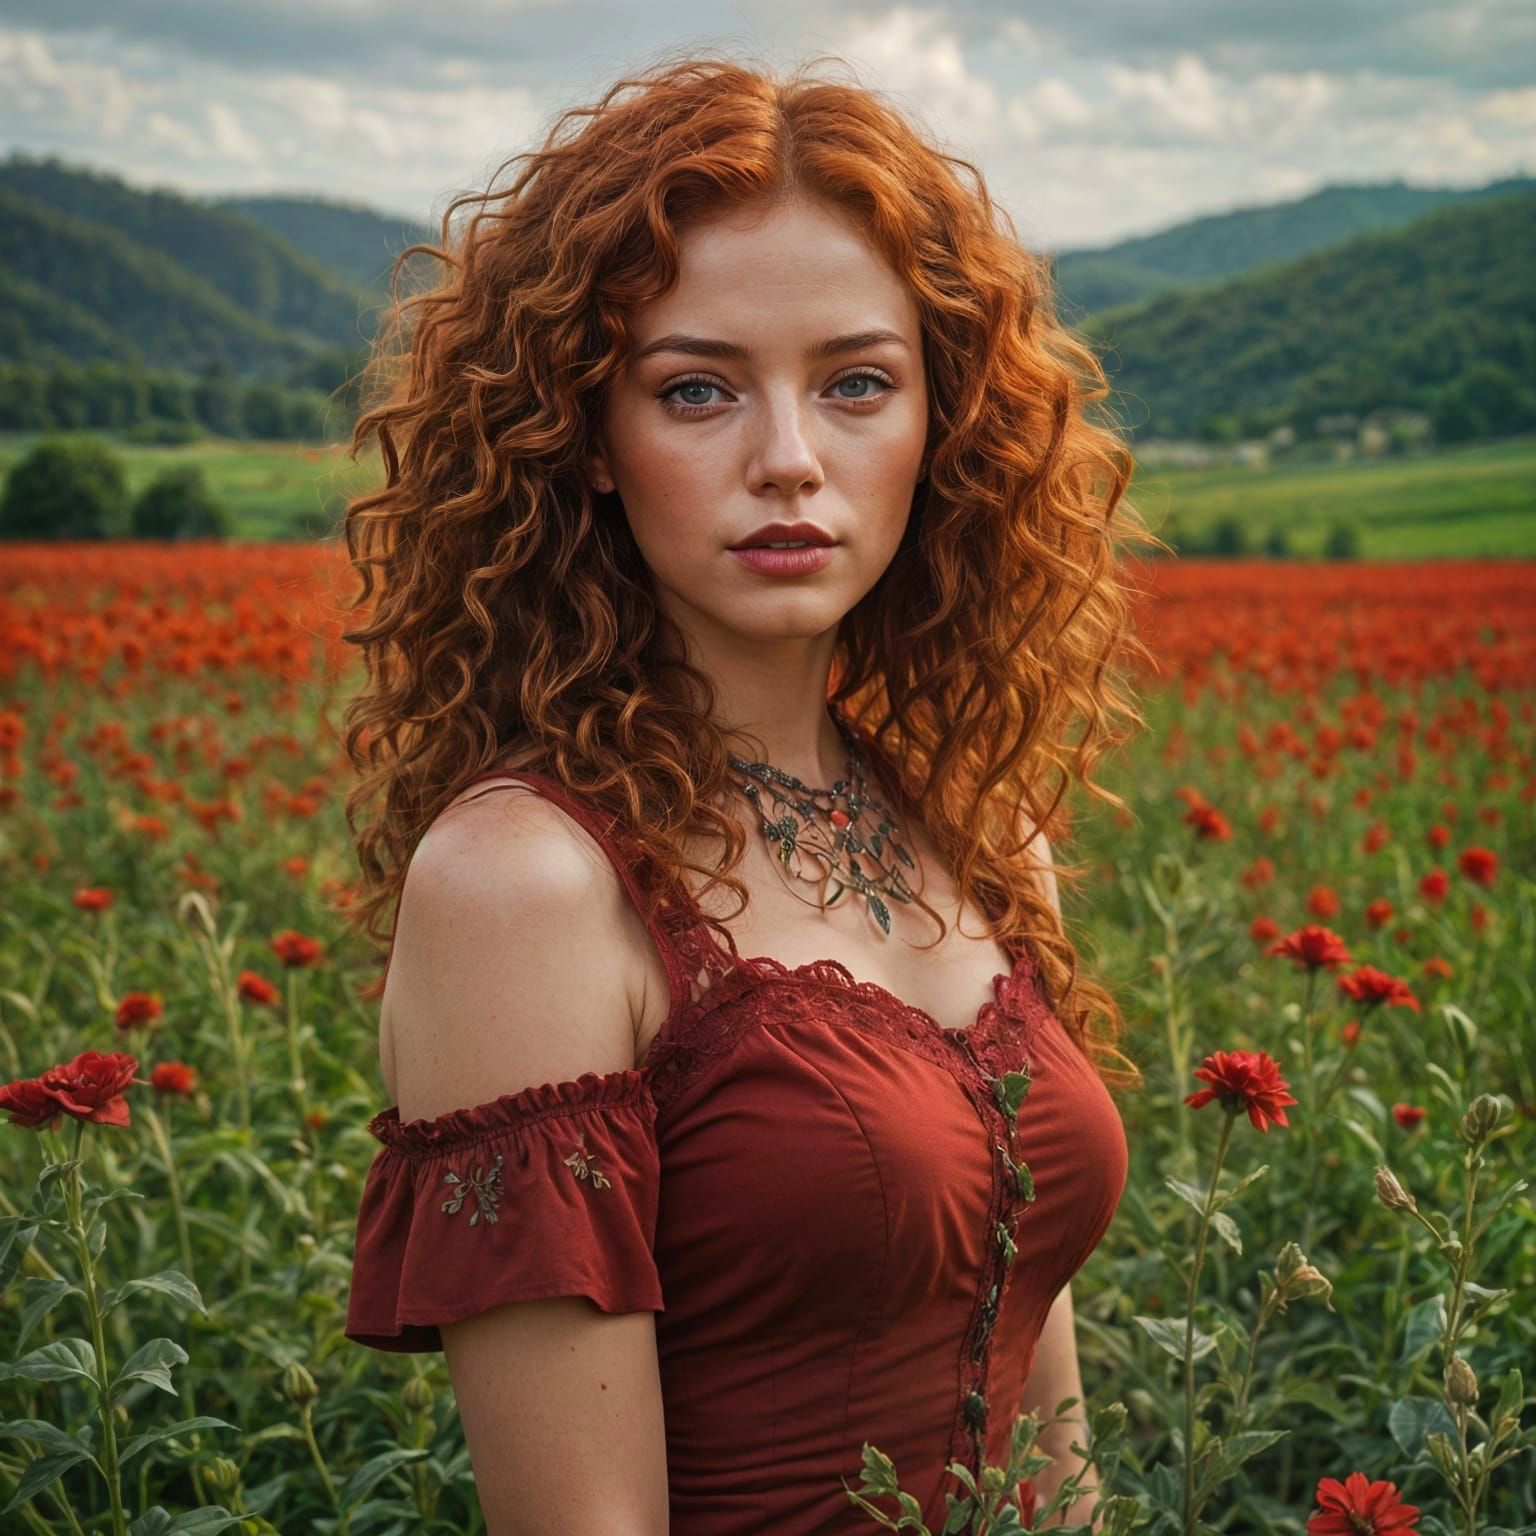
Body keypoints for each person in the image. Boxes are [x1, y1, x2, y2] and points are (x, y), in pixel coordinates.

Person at [338, 50, 1148, 1535]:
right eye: (698, 390)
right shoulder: (528, 885)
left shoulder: (981, 834)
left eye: (856, 384)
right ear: (584, 436)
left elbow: (1054, 1448)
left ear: (940, 423)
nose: (790, 462)